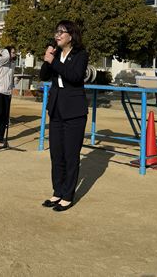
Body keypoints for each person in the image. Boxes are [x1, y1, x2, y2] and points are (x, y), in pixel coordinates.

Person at [40, 20, 88, 212]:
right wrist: (47, 58)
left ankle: (68, 195)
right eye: (56, 31)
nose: (57, 35)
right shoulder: (56, 54)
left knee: (70, 155)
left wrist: (55, 62)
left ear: (71, 35)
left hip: (74, 111)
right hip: (56, 109)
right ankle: (57, 191)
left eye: (62, 32)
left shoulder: (81, 55)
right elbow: (44, 75)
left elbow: (75, 77)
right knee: (56, 154)